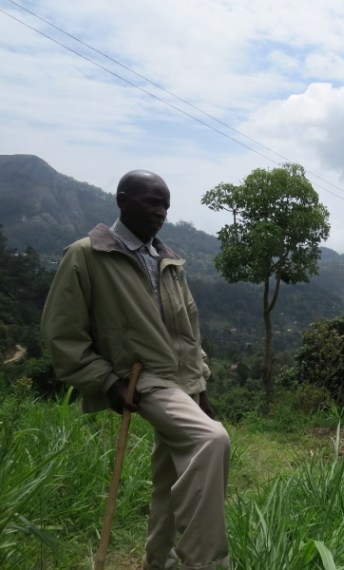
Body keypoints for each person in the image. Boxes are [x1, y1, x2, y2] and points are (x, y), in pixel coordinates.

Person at [41, 170, 231, 570]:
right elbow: (63, 334)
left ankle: (156, 561)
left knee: (168, 480)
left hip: (184, 381)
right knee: (212, 441)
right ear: (123, 201)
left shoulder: (167, 260)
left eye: (165, 205)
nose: (160, 212)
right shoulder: (86, 255)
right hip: (143, 377)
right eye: (151, 203)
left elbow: (188, 331)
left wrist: (201, 388)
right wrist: (107, 382)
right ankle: (203, 562)